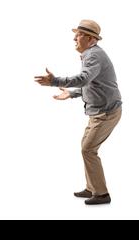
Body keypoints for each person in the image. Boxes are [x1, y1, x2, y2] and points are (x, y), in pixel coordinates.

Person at [34, 19, 121, 205]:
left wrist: (54, 81)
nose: (75, 37)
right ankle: (92, 188)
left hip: (106, 113)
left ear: (91, 39)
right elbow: (93, 84)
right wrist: (72, 94)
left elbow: (83, 79)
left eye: (79, 34)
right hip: (98, 111)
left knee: (87, 149)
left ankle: (102, 194)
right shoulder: (91, 54)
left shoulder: (93, 55)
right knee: (87, 148)